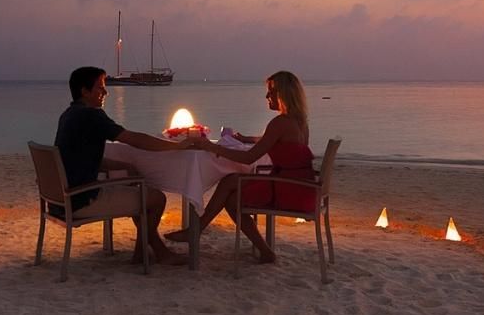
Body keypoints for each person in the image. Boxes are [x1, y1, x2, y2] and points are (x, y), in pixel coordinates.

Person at [55, 66, 202, 265]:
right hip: (82, 200)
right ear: (85, 91)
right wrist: (176, 146)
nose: (105, 93)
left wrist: (121, 165)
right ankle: (157, 252)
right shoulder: (92, 115)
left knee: (139, 189)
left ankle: (143, 253)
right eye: (100, 88)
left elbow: (78, 157)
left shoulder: (69, 115)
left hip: (61, 199)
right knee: (157, 198)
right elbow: (132, 139)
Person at [166, 70, 314, 263]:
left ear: (283, 94)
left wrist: (212, 147)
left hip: (286, 190)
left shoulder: (280, 122)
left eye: (271, 91)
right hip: (302, 187)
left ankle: (197, 230)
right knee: (231, 187)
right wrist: (247, 139)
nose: (267, 96)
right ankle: (262, 250)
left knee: (231, 187)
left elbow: (248, 158)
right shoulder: (300, 122)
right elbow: (278, 142)